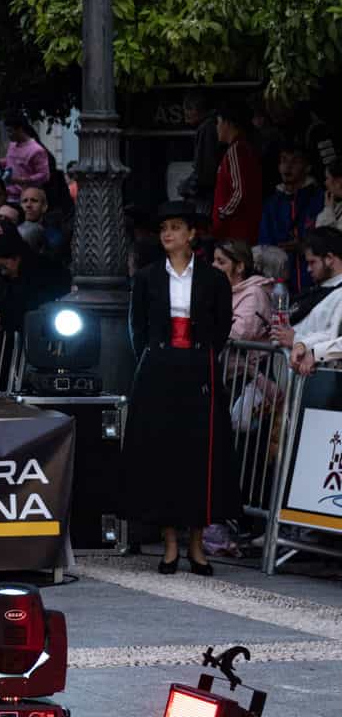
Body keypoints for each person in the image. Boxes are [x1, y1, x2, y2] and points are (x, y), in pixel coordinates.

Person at [121, 200, 238, 575]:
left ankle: (197, 545)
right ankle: (169, 544)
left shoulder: (214, 279)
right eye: (163, 228)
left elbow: (221, 328)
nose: (167, 234)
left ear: (192, 234)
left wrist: (197, 357)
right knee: (163, 456)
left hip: (198, 369)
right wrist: (157, 358)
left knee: (199, 458)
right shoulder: (147, 277)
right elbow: (137, 328)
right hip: (159, 368)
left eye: (174, 227)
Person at [0, 223, 72, 392]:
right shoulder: (14, 276)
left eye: (4, 266)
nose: (2, 272)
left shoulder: (43, 274)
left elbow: (32, 307)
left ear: (16, 258)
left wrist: (2, 319)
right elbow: (8, 302)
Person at [273, 226, 342, 376]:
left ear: (329, 259)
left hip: (324, 382)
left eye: (312, 262)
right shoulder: (315, 290)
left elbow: (334, 336)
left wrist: (297, 339)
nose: (308, 269)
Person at [258, 145, 323, 291]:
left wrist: (304, 247)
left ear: (307, 167)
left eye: (294, 162)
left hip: (313, 282)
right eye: (283, 161)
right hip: (280, 285)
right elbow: (264, 244)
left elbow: (327, 240)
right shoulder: (271, 204)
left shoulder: (320, 198)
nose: (287, 166)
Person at [212, 100, 264, 244]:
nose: (217, 127)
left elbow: (240, 191)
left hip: (235, 232)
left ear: (227, 123)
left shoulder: (237, 150)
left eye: (218, 122)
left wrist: (222, 214)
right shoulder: (242, 148)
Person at [213, 239, 274, 342]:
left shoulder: (254, 293)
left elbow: (240, 333)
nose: (214, 265)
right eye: (214, 260)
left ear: (240, 267)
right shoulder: (220, 291)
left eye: (221, 262)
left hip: (248, 358)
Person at [182, 90, 221, 209]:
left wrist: (187, 187)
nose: (185, 114)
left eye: (188, 109)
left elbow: (204, 172)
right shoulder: (212, 125)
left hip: (207, 196)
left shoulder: (206, 128)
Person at [2, 114, 50, 202]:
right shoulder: (12, 145)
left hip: (26, 199)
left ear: (20, 129)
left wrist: (21, 180)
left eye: (10, 131)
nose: (8, 135)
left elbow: (44, 175)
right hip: (8, 196)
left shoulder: (36, 150)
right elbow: (10, 162)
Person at [18, 184, 68, 263]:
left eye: (34, 200)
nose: (28, 205)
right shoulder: (12, 226)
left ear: (44, 207)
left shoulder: (53, 235)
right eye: (25, 201)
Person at [316, 157, 342, 231]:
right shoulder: (338, 206)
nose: (325, 183)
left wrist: (328, 210)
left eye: (327, 178)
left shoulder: (331, 207)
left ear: (338, 182)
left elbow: (324, 238)